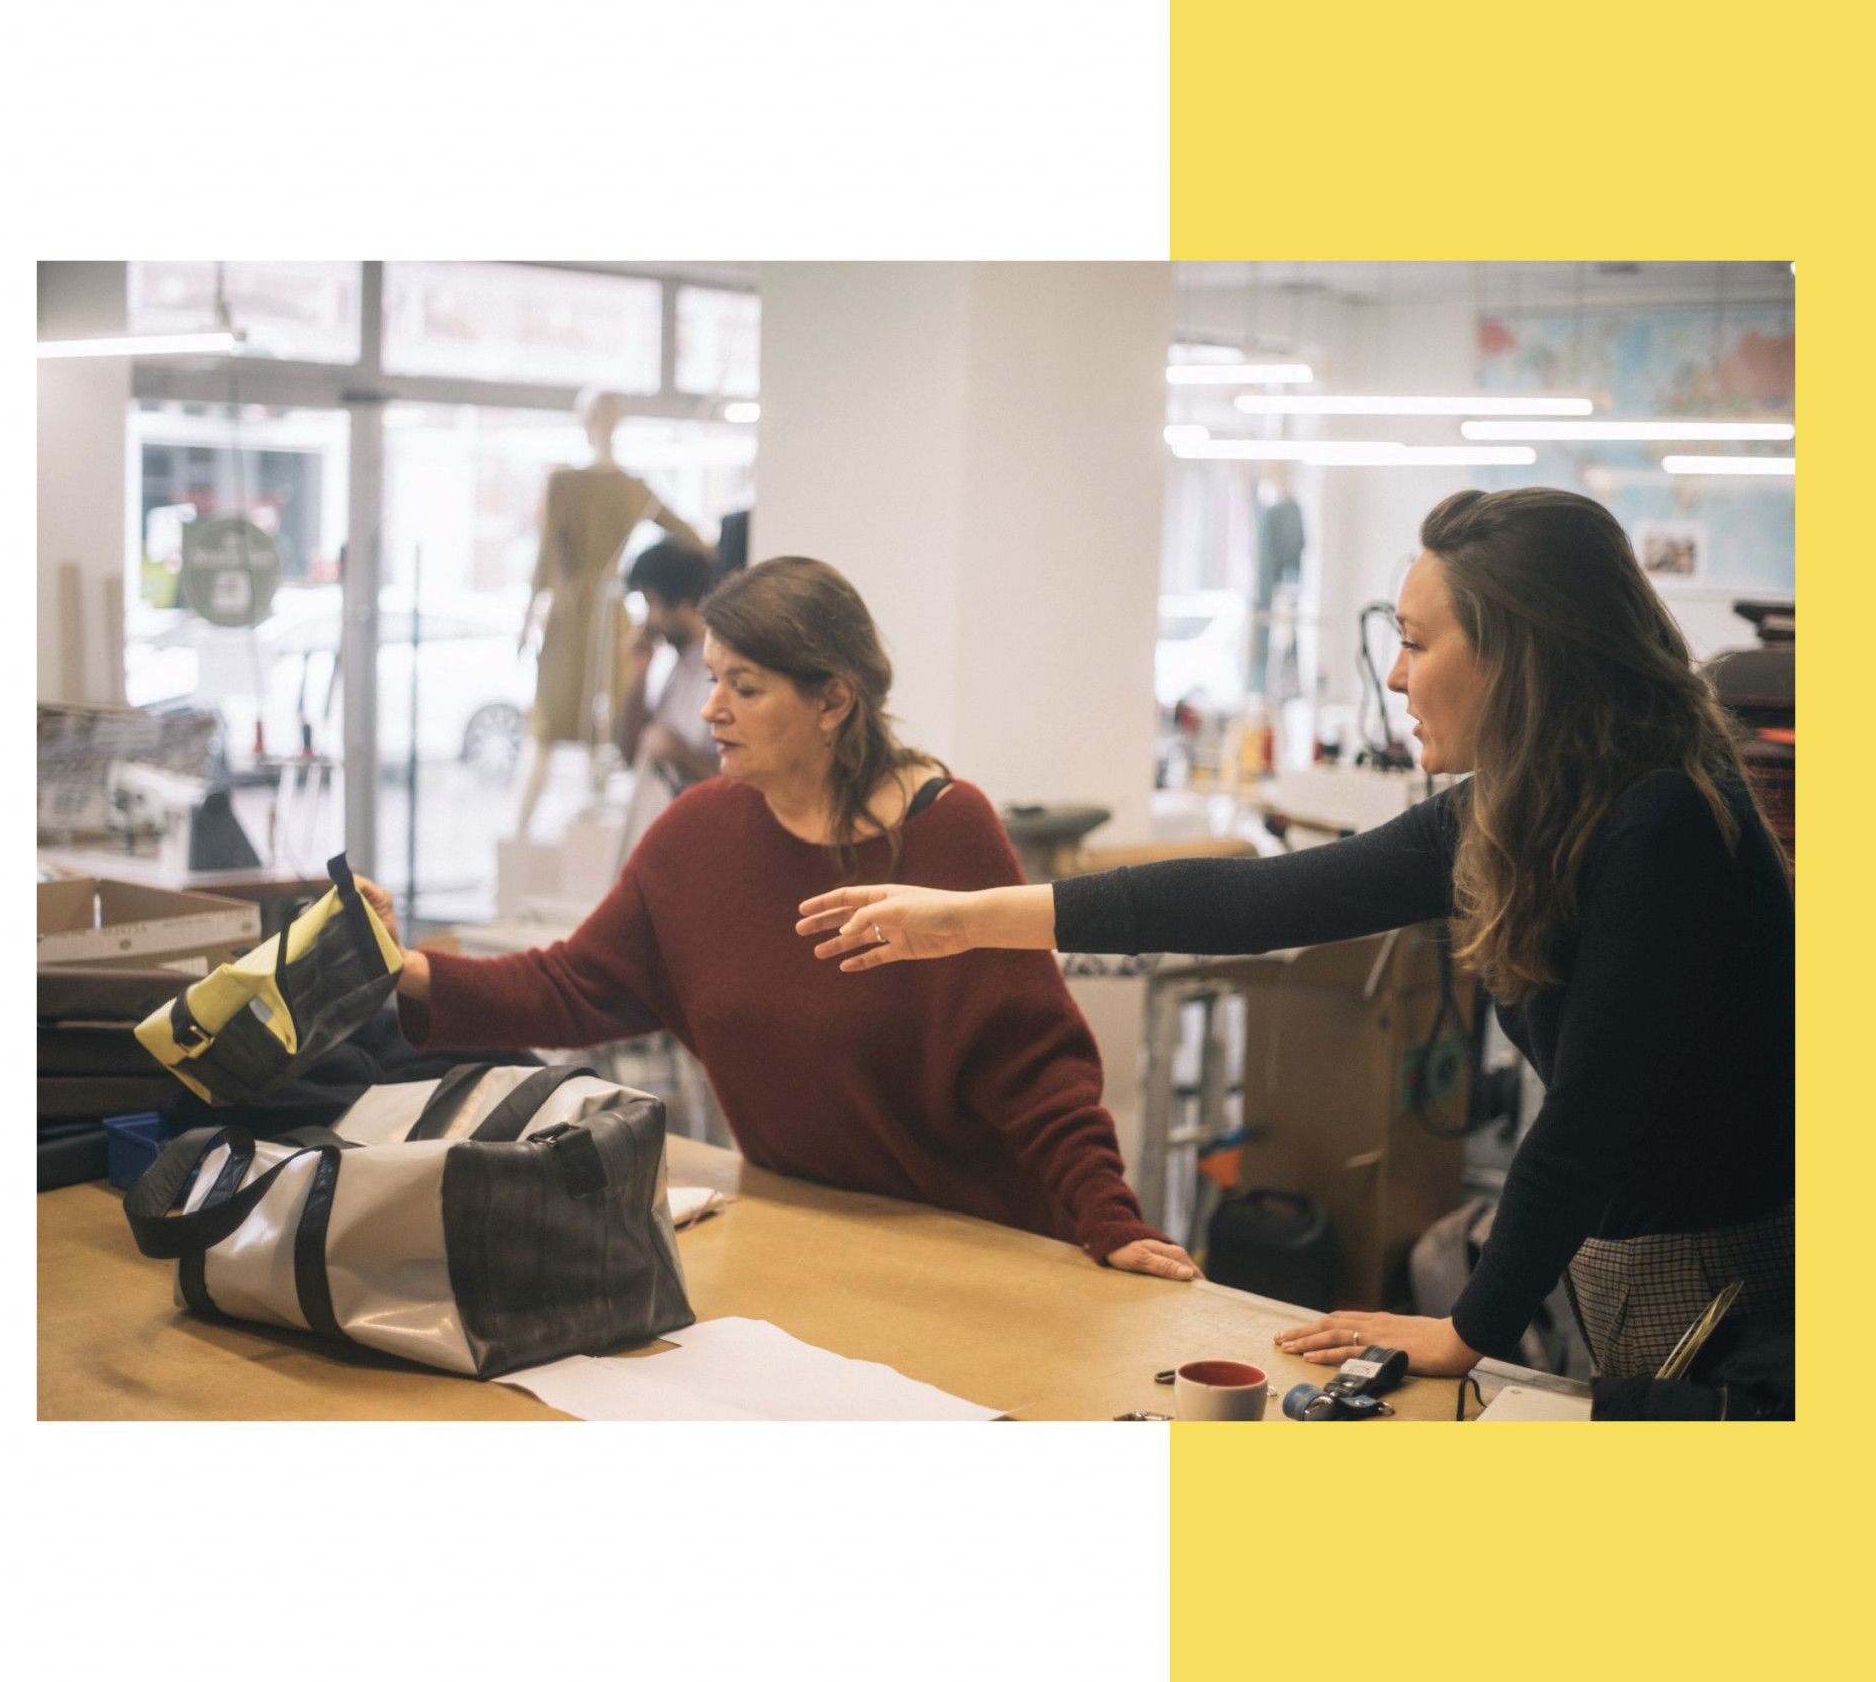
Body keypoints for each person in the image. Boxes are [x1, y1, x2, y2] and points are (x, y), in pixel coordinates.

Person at [796, 489, 1795, 1380]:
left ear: (1521, 652)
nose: (1394, 676)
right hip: (1630, 1251)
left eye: (1417, 643)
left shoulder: (1660, 820)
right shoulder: (1531, 803)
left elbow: (1589, 1119)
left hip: (1710, 1268)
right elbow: (1257, 902)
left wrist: (1467, 1329)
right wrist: (963, 921)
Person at [359, 555, 1197, 1283]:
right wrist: (407, 969)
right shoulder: (696, 834)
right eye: (713, 679)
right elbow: (575, 986)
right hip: (803, 1235)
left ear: (833, 701)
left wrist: (1109, 1216)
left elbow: (1034, 1065)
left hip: (974, 1245)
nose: (710, 710)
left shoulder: (946, 831)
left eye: (746, 687)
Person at [616, 538, 720, 789]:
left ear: (685, 607)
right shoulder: (673, 664)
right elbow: (629, 754)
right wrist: (639, 672)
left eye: (652, 604)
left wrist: (679, 754)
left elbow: (741, 786)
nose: (647, 621)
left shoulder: (721, 673)